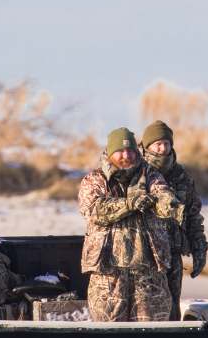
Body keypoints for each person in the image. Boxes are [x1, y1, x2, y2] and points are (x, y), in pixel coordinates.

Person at [77, 127, 182, 321]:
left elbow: (163, 194)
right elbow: (93, 211)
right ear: (110, 152)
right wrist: (129, 204)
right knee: (108, 331)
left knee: (153, 330)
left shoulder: (151, 175)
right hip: (108, 275)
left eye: (130, 151)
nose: (126, 155)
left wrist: (166, 203)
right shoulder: (94, 180)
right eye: (120, 151)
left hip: (148, 274)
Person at [140, 120, 208, 318]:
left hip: (173, 253)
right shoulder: (137, 173)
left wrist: (199, 249)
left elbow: (193, 215)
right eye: (157, 144)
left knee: (172, 308)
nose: (163, 149)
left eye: (166, 143)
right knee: (147, 309)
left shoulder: (181, 176)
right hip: (145, 255)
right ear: (147, 146)